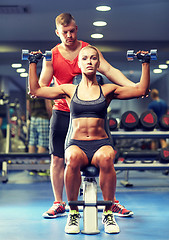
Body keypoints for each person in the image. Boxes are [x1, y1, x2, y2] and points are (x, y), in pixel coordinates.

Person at [28, 45, 150, 233]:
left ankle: (108, 213)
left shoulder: (108, 89)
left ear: (98, 62)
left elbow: (141, 90)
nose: (89, 62)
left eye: (93, 58)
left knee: (108, 158)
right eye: (85, 58)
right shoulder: (68, 89)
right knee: (72, 159)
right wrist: (32, 63)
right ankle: (74, 212)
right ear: (79, 63)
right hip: (76, 143)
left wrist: (145, 63)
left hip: (101, 143)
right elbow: (36, 90)